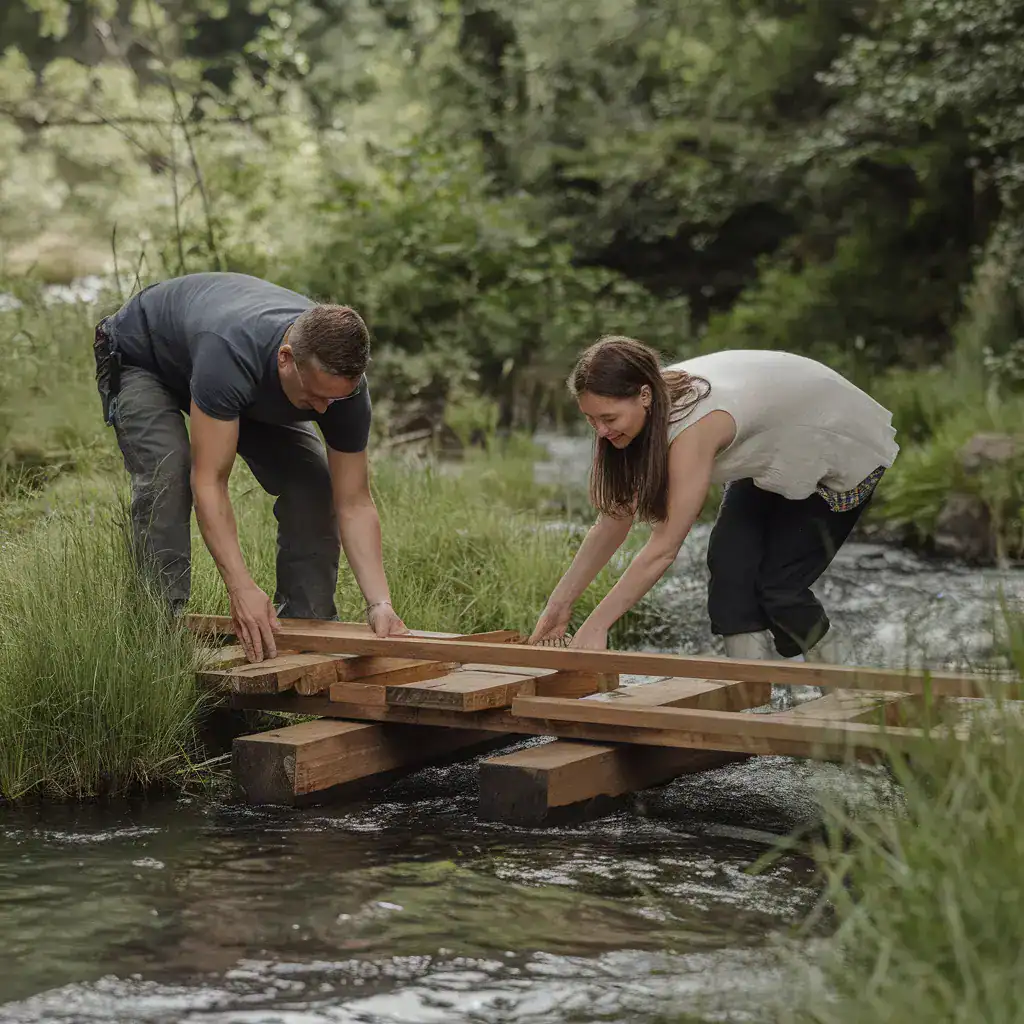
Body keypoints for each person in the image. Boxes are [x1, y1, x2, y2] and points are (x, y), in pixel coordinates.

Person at [93, 271, 409, 662]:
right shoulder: (231, 352)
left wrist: (380, 603)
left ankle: (304, 633)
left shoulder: (343, 392)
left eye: (335, 400)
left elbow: (355, 502)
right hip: (145, 357)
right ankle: (156, 638)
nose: (325, 410)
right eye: (315, 397)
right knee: (169, 472)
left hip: (239, 380)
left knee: (313, 482)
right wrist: (240, 587)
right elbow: (209, 482)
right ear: (286, 359)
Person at [529, 337, 899, 662]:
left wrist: (597, 626)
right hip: (768, 446)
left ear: (644, 395)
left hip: (835, 443)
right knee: (729, 567)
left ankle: (852, 690)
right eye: (591, 420)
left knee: (779, 588)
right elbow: (612, 523)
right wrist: (558, 608)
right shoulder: (633, 416)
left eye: (608, 418)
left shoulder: (695, 426)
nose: (601, 431)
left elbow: (662, 549)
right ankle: (751, 704)